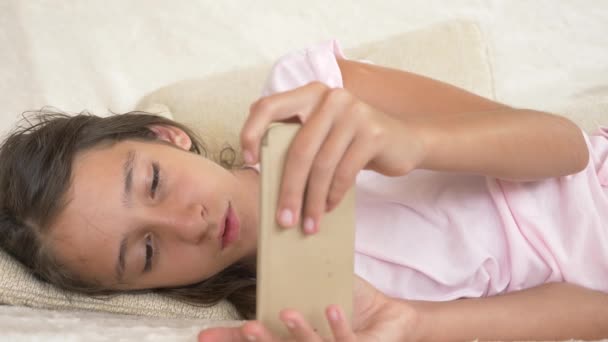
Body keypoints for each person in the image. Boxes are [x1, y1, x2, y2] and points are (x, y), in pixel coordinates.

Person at [0, 40, 606, 341]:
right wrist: (411, 323)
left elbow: (568, 147)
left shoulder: (307, 100)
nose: (193, 224)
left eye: (154, 183)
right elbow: (594, 313)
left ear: (167, 136)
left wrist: (413, 141)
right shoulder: (318, 313)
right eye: (147, 252)